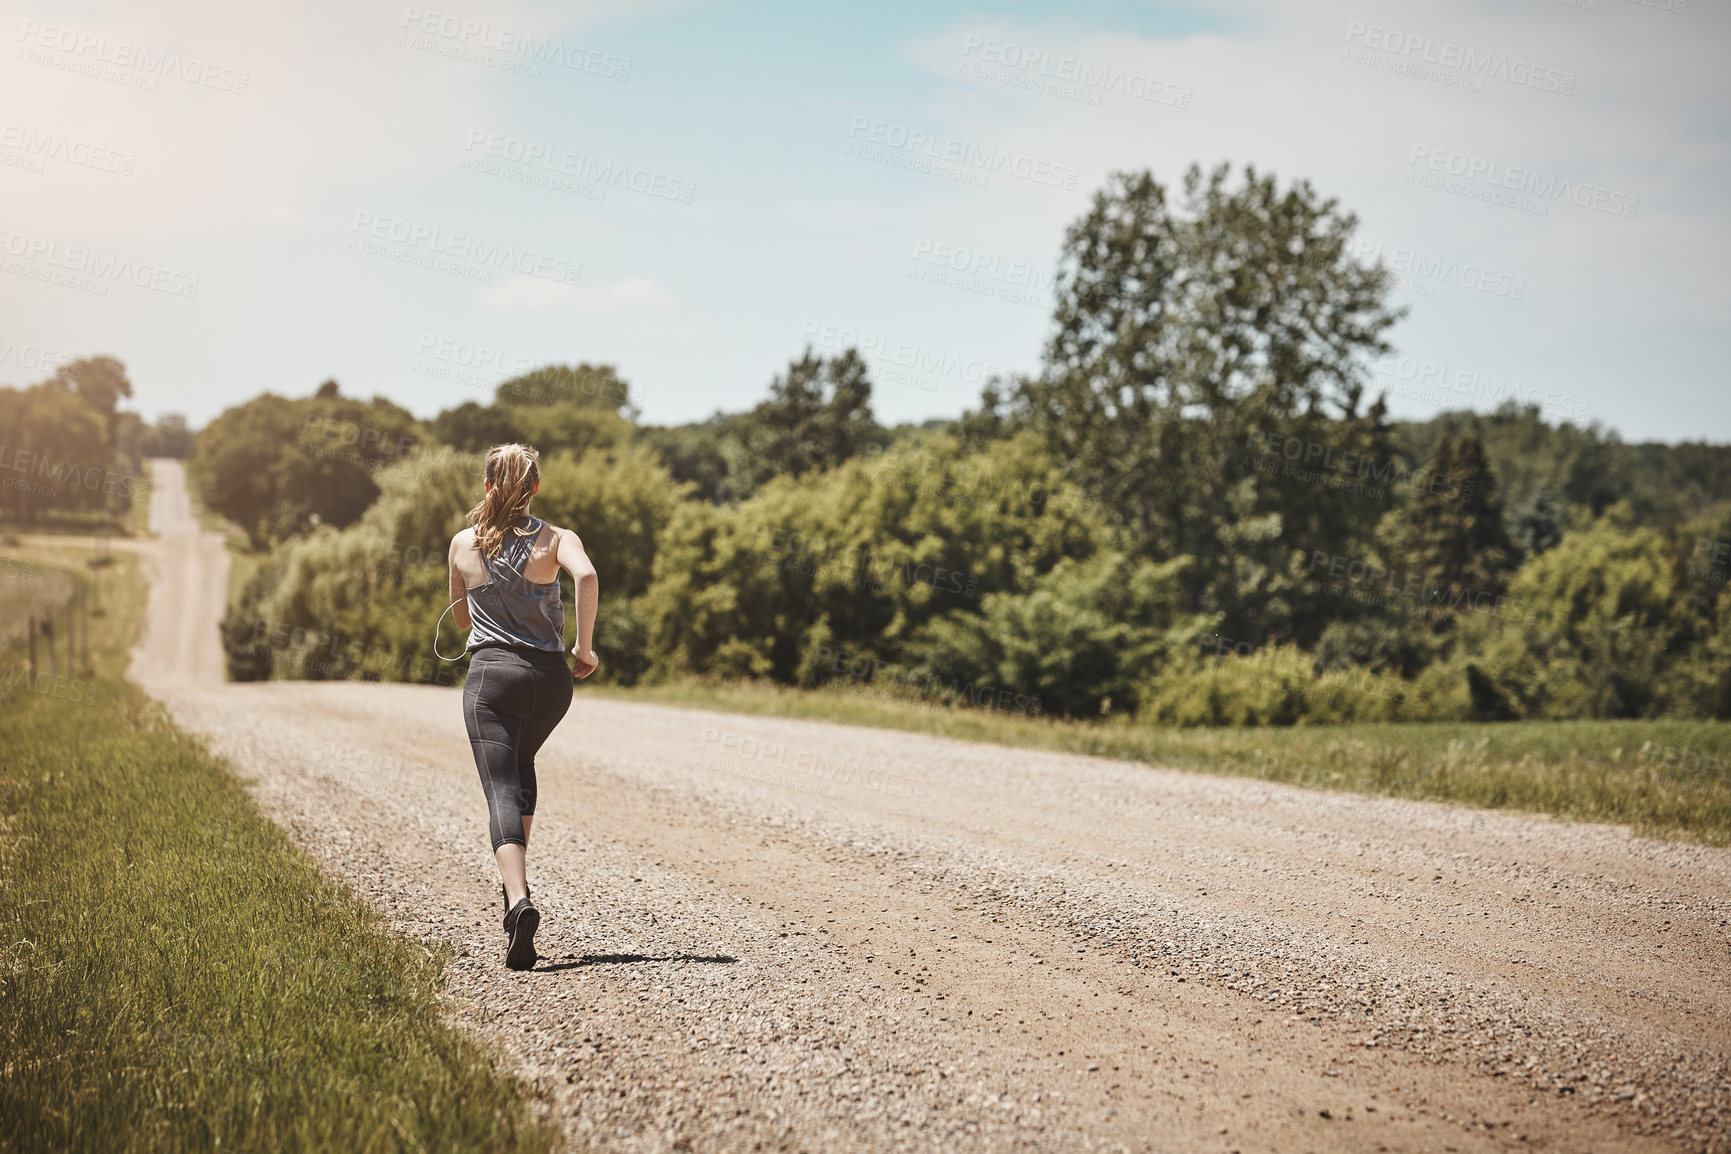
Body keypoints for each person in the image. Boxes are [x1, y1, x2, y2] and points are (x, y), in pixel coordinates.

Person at [447, 443, 599, 970]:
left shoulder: (464, 544)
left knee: (500, 788)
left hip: (492, 676)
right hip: (552, 681)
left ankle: (517, 900)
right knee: (522, 765)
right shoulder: (558, 539)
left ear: (488, 486)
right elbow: (587, 577)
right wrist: (583, 647)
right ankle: (519, 886)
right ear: (535, 488)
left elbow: (464, 621)